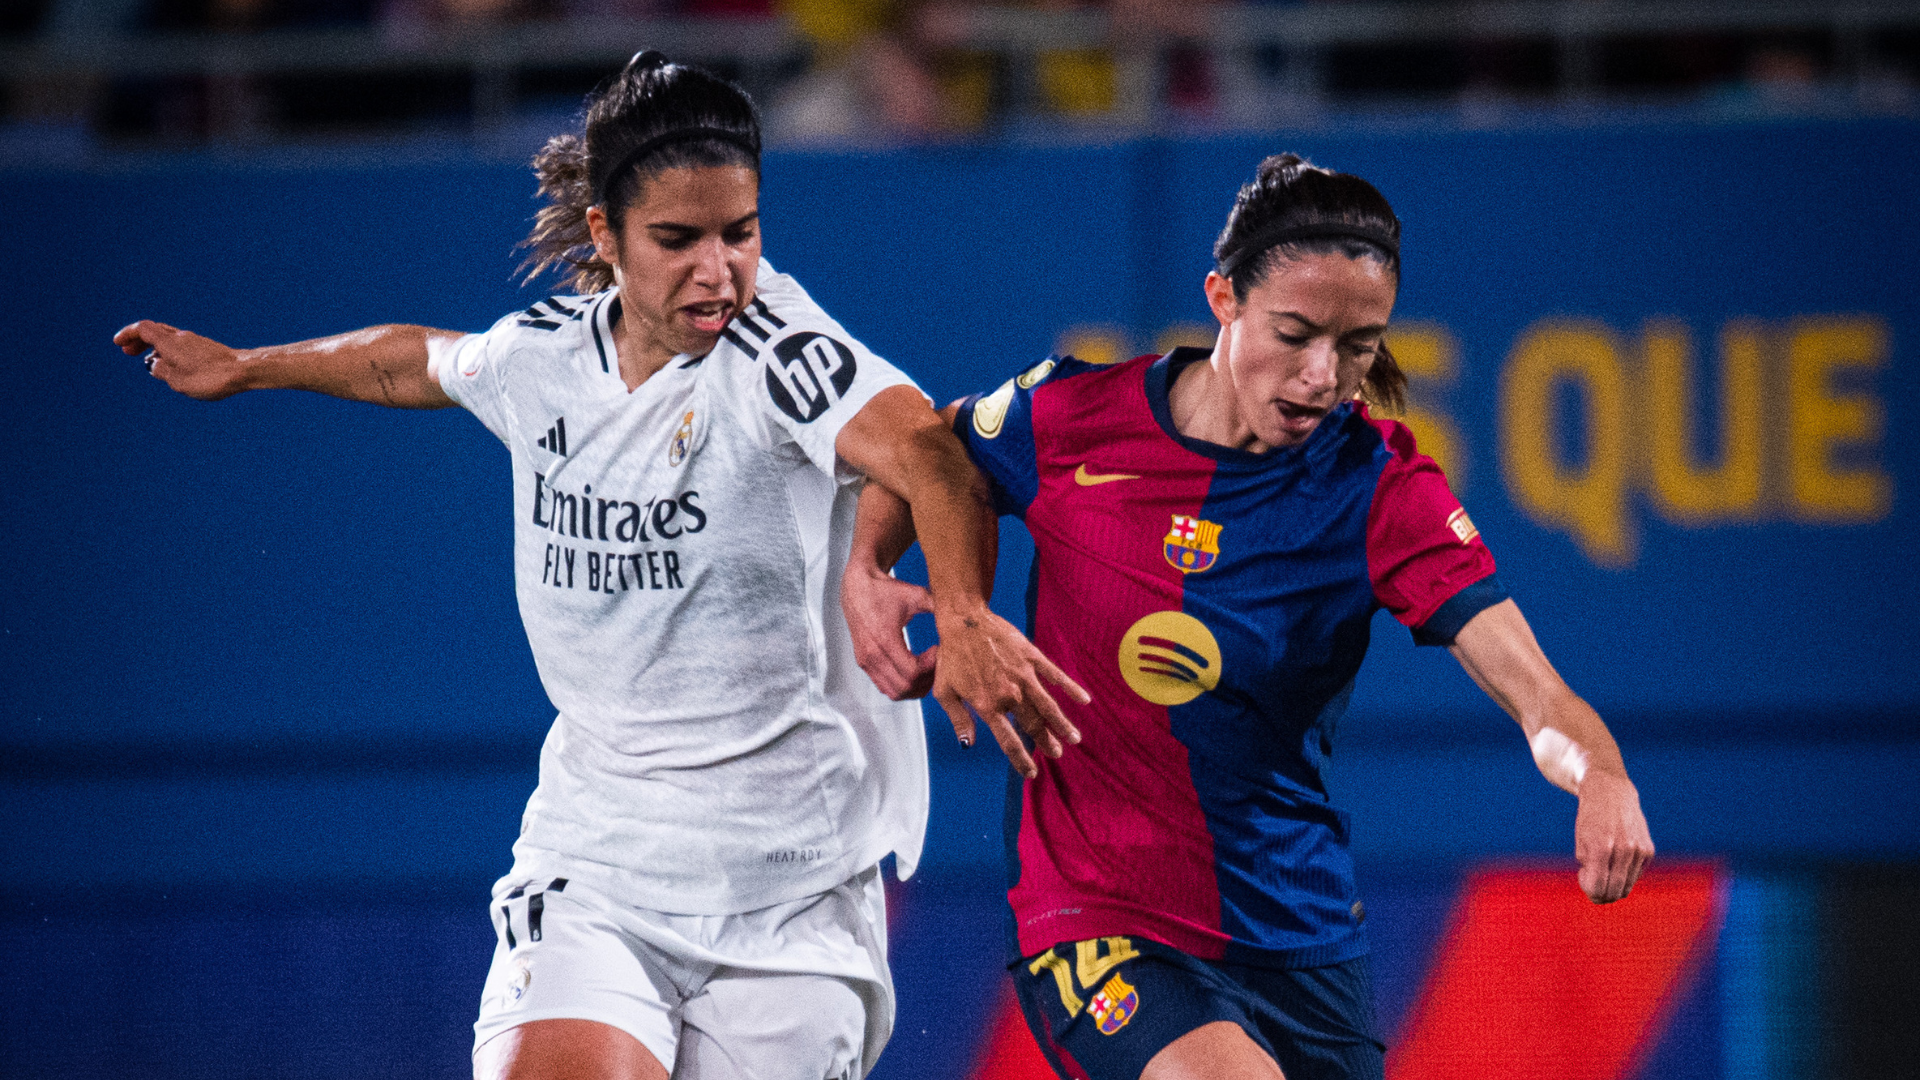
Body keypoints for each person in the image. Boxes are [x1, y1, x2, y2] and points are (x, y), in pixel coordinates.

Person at [114, 51, 1083, 1080]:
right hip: (598, 867)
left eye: (740, 232)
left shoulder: (779, 352)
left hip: (791, 890)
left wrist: (962, 612)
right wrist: (250, 367)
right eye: (678, 239)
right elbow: (412, 361)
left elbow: (932, 452)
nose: (718, 270)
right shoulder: (539, 358)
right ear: (605, 235)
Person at [841, 154, 1656, 1080]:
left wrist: (1601, 775)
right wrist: (885, 576)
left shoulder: (1382, 490)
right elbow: (930, 450)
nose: (1323, 376)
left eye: (1359, 346)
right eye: (1295, 334)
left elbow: (1538, 694)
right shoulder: (1072, 416)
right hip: (1099, 917)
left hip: (1299, 939)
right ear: (1223, 297)